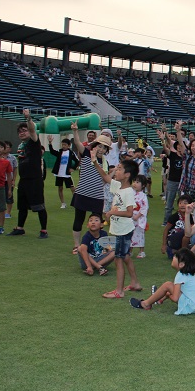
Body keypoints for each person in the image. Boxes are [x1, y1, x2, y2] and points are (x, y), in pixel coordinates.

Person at [96, 159, 142, 299]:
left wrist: (112, 212)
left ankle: (119, 291)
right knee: (126, 256)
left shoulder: (128, 192)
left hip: (123, 231)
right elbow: (105, 176)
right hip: (119, 229)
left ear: (127, 174)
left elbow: (129, 213)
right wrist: (94, 162)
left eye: (120, 169)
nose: (116, 170)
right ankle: (135, 283)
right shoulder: (118, 186)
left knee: (118, 259)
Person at [70, 122, 111, 255]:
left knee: (98, 222)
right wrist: (75, 131)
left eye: (104, 148)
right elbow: (77, 143)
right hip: (82, 193)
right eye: (99, 146)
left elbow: (105, 180)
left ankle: (100, 246)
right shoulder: (87, 153)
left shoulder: (105, 162)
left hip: (97, 196)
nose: (101, 150)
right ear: (95, 145)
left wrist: (113, 172)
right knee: (78, 220)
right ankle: (76, 245)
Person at [7, 109, 48, 238]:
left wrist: (28, 118)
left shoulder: (34, 142)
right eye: (19, 132)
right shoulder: (21, 146)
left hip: (35, 180)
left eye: (24, 131)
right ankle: (20, 228)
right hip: (23, 180)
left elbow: (31, 130)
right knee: (22, 206)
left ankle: (43, 230)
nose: (22, 133)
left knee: (39, 205)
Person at [129, 247, 195, 315]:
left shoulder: (180, 275)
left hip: (191, 306)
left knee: (168, 285)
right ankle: (159, 299)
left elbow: (175, 298)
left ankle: (145, 304)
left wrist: (169, 295)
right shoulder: (192, 275)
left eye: (176, 256)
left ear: (181, 264)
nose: (174, 257)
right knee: (172, 288)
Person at [158, 125, 184, 223]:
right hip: (172, 181)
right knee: (169, 205)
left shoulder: (185, 157)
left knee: (182, 204)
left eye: (181, 146)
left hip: (182, 182)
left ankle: (180, 221)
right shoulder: (172, 155)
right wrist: (162, 140)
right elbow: (165, 148)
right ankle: (166, 222)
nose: (179, 147)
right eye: (178, 146)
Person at [47, 136, 78, 209]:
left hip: (66, 174)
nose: (63, 146)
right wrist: (50, 143)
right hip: (59, 173)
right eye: (62, 144)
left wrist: (73, 168)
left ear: (69, 145)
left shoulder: (71, 153)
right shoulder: (60, 152)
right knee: (60, 188)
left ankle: (76, 202)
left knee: (72, 188)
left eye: (65, 145)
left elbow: (77, 161)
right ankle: (63, 203)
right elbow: (52, 151)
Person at [161, 194, 191, 260]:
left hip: (184, 240)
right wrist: (164, 244)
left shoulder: (191, 217)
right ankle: (181, 252)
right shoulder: (174, 216)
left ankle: (179, 252)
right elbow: (166, 230)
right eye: (180, 203)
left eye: (185, 203)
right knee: (185, 232)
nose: (182, 205)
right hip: (174, 239)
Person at [130, 174, 149, 259]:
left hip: (139, 218)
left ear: (143, 185)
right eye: (134, 181)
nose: (135, 184)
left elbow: (144, 208)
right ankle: (129, 251)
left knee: (139, 234)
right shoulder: (130, 193)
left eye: (137, 182)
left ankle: (142, 251)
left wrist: (137, 216)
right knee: (130, 234)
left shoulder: (143, 196)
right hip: (130, 217)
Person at [4, 140, 17, 219]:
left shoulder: (12, 158)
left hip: (9, 180)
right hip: (0, 180)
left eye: (7, 147)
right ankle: (2, 212)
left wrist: (13, 180)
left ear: (10, 149)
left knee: (9, 196)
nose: (5, 148)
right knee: (0, 197)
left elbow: (15, 169)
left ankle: (8, 213)